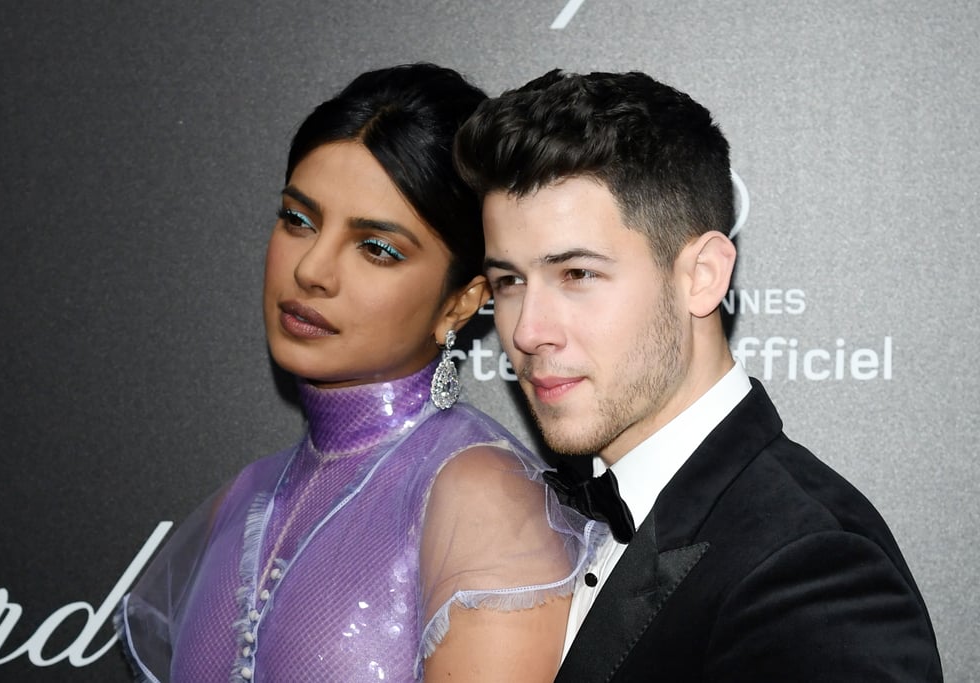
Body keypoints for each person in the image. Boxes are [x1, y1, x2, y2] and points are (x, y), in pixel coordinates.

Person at [454, 69, 943, 681]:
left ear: (703, 275)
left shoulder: (814, 568)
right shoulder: (556, 516)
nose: (526, 331)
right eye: (509, 282)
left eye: (577, 274)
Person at [118, 63, 593, 683]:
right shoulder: (240, 501)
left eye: (377, 249)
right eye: (298, 219)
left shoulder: (478, 497)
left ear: (459, 302)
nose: (312, 268)